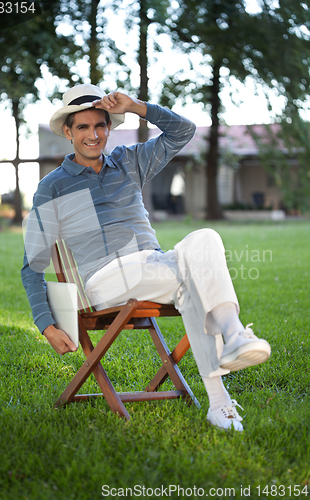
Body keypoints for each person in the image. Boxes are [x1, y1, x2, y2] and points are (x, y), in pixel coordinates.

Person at [21, 83, 271, 432]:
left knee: (204, 241)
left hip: (153, 268)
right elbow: (32, 263)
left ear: (109, 127)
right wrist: (45, 324)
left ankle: (220, 402)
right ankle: (234, 336)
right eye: (83, 127)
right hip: (103, 280)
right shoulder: (54, 185)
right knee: (194, 272)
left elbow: (183, 130)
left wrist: (138, 107)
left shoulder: (129, 161)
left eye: (100, 125)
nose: (93, 135)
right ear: (68, 131)